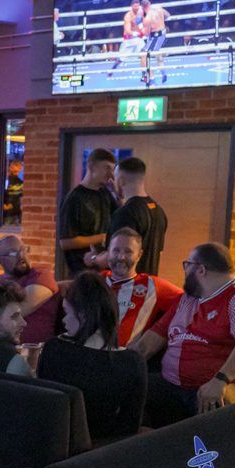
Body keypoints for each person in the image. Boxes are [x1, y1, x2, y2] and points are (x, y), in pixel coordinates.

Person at [132, 243, 235, 426]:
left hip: (216, 385)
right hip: (173, 383)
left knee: (217, 401)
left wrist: (220, 380)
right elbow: (152, 339)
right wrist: (122, 366)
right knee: (129, 390)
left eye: (186, 265)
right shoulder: (189, 298)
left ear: (201, 270)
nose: (185, 271)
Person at [102, 227, 182, 347]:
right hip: (89, 353)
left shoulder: (153, 286)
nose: (121, 257)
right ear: (108, 252)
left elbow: (187, 300)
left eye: (128, 252)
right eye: (116, 250)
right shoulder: (96, 280)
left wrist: (160, 330)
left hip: (123, 359)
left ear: (139, 255)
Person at [90, 156, 168, 275]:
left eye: (115, 179)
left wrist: (93, 259)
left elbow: (114, 257)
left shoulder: (124, 214)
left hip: (127, 286)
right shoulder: (158, 210)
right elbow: (159, 252)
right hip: (148, 285)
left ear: (121, 181)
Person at [0, 234, 59, 345]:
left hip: (33, 350)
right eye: (13, 253)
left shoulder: (41, 276)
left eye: (24, 250)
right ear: (0, 261)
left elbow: (20, 309)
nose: (21, 256)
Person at [58, 148, 119, 276]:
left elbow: (122, 217)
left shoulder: (105, 193)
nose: (111, 174)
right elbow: (65, 243)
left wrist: (118, 194)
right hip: (82, 273)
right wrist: (101, 237)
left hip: (105, 270)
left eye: (113, 169)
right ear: (91, 167)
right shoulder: (74, 198)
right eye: (107, 168)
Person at [60, 272, 119, 349]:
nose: (63, 320)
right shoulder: (131, 358)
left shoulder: (58, 349)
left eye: (66, 312)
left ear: (84, 314)